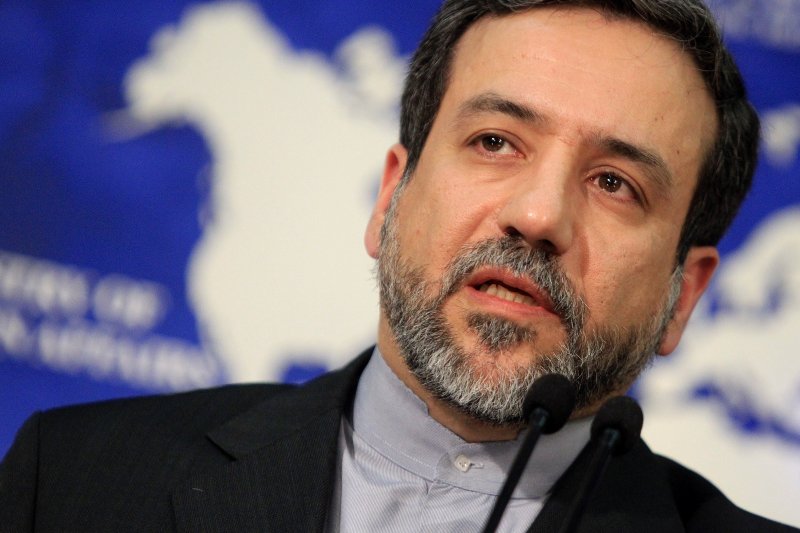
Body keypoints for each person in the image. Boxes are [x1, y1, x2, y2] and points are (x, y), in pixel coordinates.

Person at [0, 0, 797, 531]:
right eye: (495, 141)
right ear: (391, 197)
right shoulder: (74, 480)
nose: (538, 215)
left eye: (615, 184)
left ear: (683, 295)